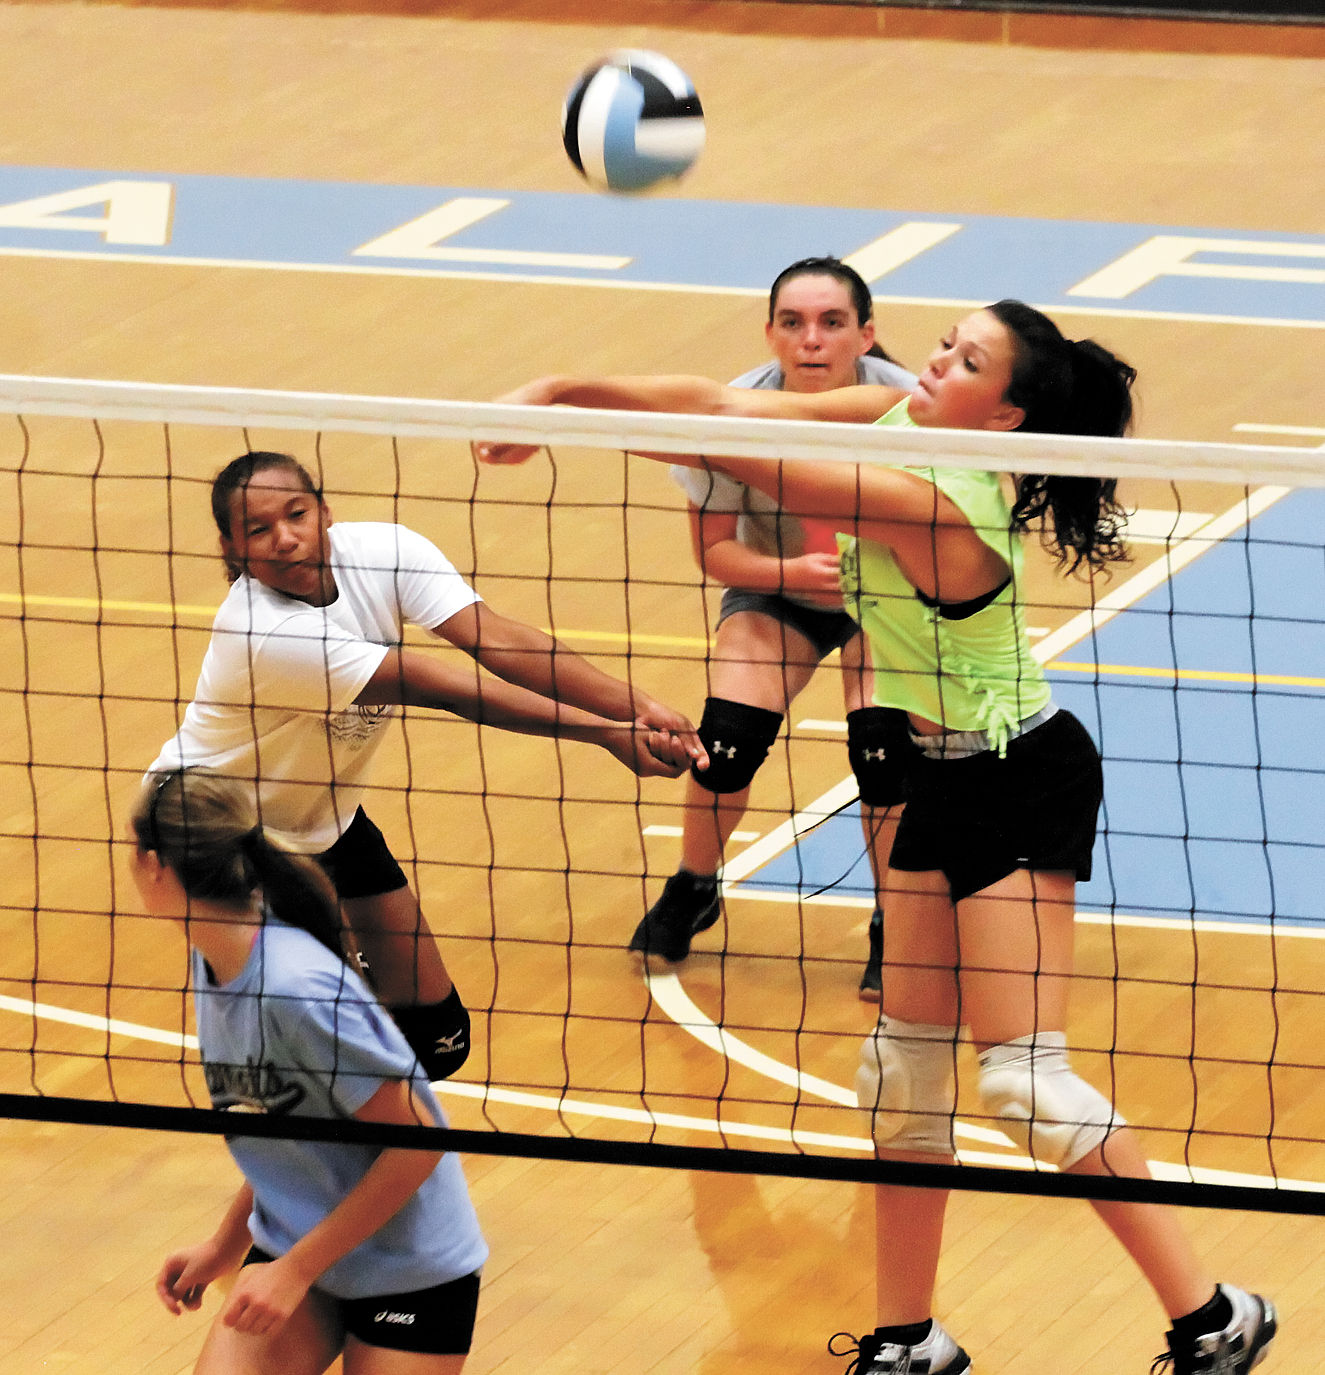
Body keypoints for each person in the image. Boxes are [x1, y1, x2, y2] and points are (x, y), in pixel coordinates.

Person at [475, 300, 1278, 1375]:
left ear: (1001, 419)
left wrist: (568, 417)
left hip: (1013, 778)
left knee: (1024, 1083)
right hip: (921, 775)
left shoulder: (938, 505)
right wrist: (555, 388)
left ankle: (1211, 1313)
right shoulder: (902, 410)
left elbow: (754, 456)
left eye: (966, 361)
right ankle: (907, 1338)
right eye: (946, 343)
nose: (935, 361)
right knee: (903, 1073)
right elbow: (721, 403)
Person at [149, 451, 705, 1083]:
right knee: (319, 1058)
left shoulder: (383, 552)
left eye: (297, 514)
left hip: (321, 820)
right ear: (232, 548)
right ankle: (315, 1161)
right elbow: (447, 687)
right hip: (218, 835)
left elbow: (497, 640)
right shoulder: (261, 632)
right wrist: (607, 734)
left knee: (437, 1040)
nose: (285, 538)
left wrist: (638, 707)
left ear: (324, 510)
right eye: (258, 529)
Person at [129, 766, 489, 1374]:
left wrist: (294, 1271)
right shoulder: (213, 957)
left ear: (155, 865)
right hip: (295, 1245)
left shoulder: (294, 990)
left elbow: (420, 1140)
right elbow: (287, 1122)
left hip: (407, 1269)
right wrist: (226, 1245)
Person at [635, 256, 917, 1001]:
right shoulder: (737, 411)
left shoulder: (911, 409)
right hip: (778, 588)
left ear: (865, 334)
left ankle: (895, 923)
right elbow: (714, 551)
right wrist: (797, 576)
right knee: (725, 741)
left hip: (886, 599)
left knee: (884, 750)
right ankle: (694, 886)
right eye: (792, 324)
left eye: (830, 323)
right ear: (769, 334)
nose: (811, 341)